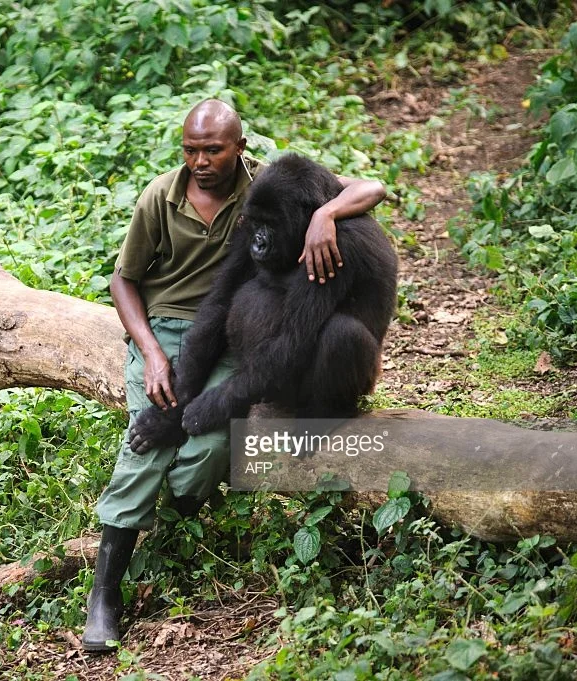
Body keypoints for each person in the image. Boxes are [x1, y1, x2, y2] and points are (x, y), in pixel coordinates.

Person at [82, 99, 386, 653]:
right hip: (185, 336)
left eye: (213, 148)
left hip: (327, 369)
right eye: (191, 149)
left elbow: (293, 348)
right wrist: (174, 390)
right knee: (155, 438)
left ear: (238, 149)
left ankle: (319, 423)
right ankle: (105, 590)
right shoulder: (244, 205)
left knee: (334, 341)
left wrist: (197, 412)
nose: (260, 239)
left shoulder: (328, 237)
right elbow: (217, 307)